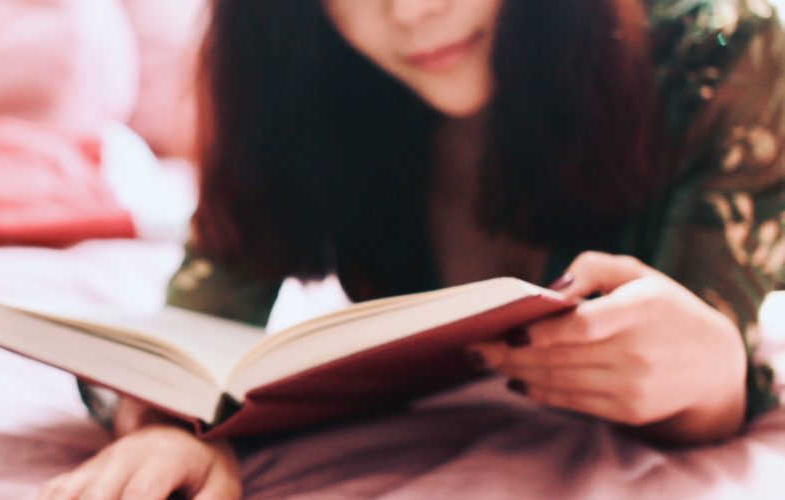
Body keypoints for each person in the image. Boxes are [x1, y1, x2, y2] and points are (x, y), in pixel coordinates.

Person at [38, 0, 785, 498]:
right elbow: (198, 321)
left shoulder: (727, 55)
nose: (412, 11)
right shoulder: (298, 70)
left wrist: (711, 373)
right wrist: (170, 429)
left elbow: (715, 352)